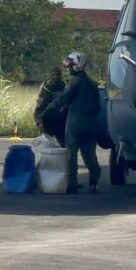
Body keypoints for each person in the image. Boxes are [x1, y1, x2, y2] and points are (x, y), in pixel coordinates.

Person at [47, 51, 101, 194]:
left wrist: (46, 112)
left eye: (70, 66)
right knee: (90, 154)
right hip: (91, 123)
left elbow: (62, 99)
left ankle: (72, 184)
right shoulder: (93, 85)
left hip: (74, 123)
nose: (69, 69)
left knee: (72, 153)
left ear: (77, 65)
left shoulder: (74, 83)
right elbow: (98, 107)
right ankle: (95, 180)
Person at [33, 66, 66, 147]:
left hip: (60, 121)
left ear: (61, 75)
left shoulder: (64, 85)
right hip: (48, 121)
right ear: (50, 76)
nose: (56, 77)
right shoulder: (46, 88)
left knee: (64, 147)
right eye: (54, 75)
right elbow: (39, 106)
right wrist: (38, 122)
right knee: (46, 146)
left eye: (58, 75)